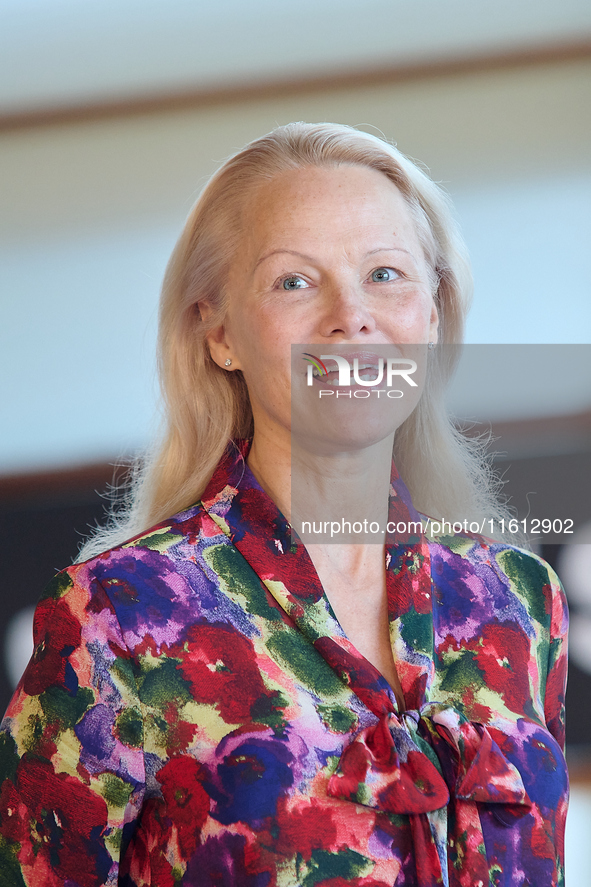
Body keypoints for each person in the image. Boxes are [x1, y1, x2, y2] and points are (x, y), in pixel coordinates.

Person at [0, 123, 568, 887]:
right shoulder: (115, 617)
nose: (351, 315)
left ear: (431, 313)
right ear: (219, 331)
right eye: (294, 281)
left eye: (386, 273)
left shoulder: (520, 599)